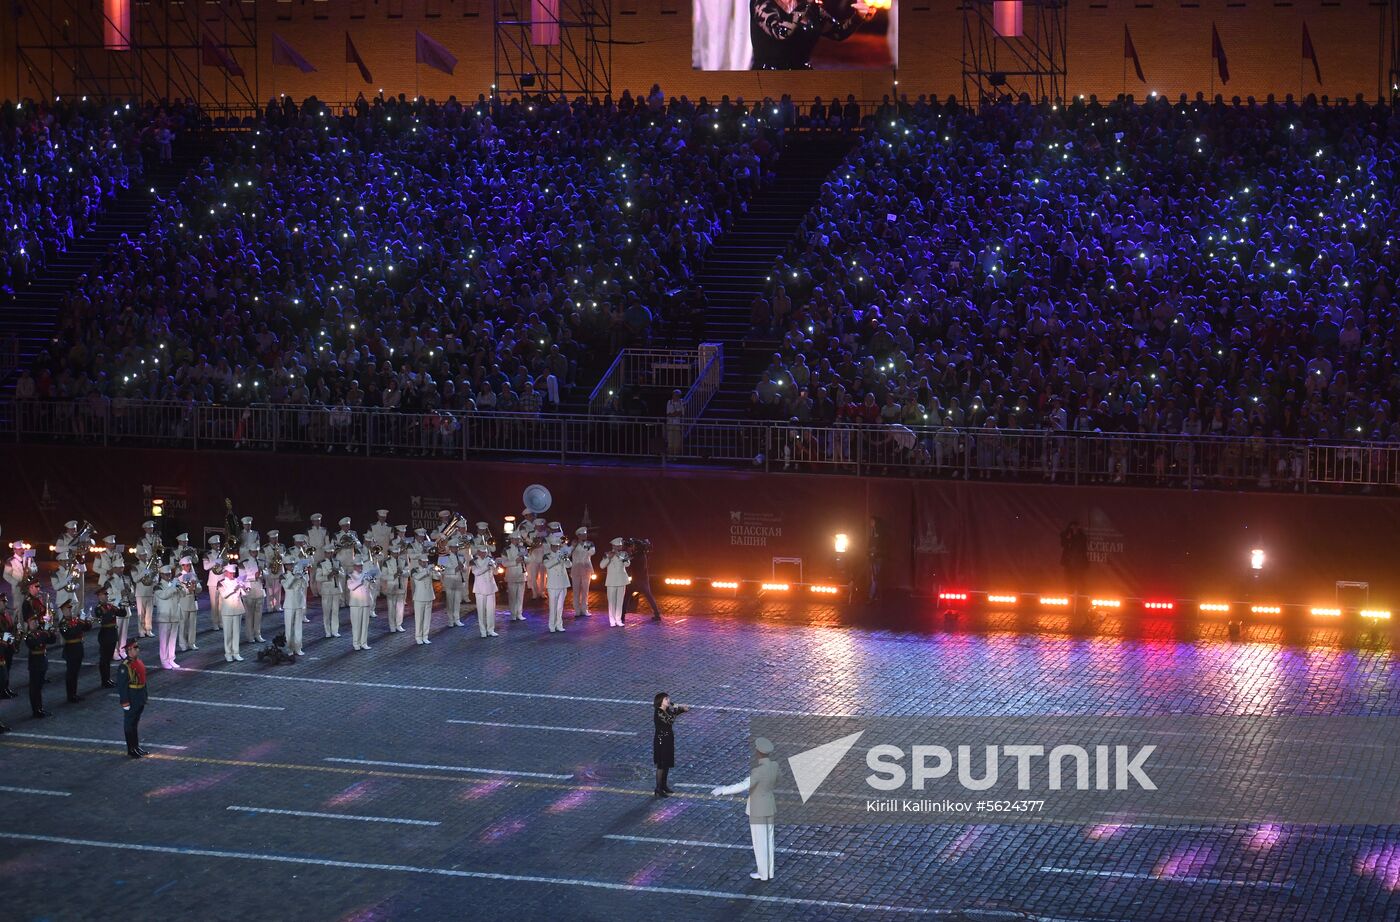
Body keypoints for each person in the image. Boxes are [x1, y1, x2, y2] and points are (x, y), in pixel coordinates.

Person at [711, 737, 780, 881]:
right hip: (769, 805)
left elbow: (743, 785)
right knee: (769, 840)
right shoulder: (775, 766)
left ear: (759, 753)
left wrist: (723, 790)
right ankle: (770, 872)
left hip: (757, 809)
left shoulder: (758, 771)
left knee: (760, 842)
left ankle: (763, 874)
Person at [749, 0, 874, 70]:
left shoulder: (810, 7)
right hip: (769, 75)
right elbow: (781, 32)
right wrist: (806, 5)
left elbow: (838, 32)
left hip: (802, 75)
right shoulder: (761, 3)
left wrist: (858, 16)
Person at [652, 692, 690, 796]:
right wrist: (680, 709)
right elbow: (670, 720)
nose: (668, 700)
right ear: (660, 701)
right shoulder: (659, 712)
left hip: (668, 738)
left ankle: (664, 785)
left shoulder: (667, 710)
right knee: (661, 764)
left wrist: (681, 710)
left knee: (667, 763)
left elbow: (672, 715)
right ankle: (658, 788)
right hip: (661, 741)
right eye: (666, 699)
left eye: (668, 698)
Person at [118, 638, 148, 758]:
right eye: (135, 647)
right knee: (129, 724)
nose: (138, 649)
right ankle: (131, 749)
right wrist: (125, 703)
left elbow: (143, 680)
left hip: (139, 697)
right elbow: (122, 687)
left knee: (134, 724)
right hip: (132, 698)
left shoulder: (137, 662)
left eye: (137, 646)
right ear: (129, 650)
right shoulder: (125, 666)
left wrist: (144, 696)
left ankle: (136, 746)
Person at [24, 611, 57, 718]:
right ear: (28, 624)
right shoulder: (29, 635)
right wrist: (46, 632)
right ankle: (36, 710)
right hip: (35, 663)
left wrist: (50, 629)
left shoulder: (40, 632)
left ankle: (39, 708)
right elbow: (36, 643)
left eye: (35, 621)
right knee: (35, 688)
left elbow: (52, 640)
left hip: (42, 661)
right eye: (31, 622)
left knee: (39, 687)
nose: (34, 623)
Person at [57, 600, 90, 702]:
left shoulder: (74, 620)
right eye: (68, 609)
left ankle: (74, 694)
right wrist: (81, 622)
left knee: (75, 673)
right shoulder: (63, 623)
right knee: (71, 674)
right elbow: (72, 633)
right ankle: (70, 695)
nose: (70, 611)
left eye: (70, 609)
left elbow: (87, 628)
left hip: (78, 648)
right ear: (63, 611)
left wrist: (86, 620)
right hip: (71, 649)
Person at [93, 587, 124, 688]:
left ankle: (108, 679)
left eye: (106, 594)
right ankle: (104, 680)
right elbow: (105, 619)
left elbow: (122, 614)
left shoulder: (110, 606)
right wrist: (113, 611)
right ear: (99, 596)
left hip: (112, 634)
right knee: (104, 660)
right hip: (105, 634)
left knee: (108, 659)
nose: (107, 596)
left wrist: (121, 605)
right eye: (104, 594)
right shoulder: (98, 608)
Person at [152, 565, 182, 670]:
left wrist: (182, 587)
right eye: (166, 574)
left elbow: (182, 594)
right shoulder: (158, 586)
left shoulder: (173, 584)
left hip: (174, 614)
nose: (168, 576)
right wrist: (174, 584)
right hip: (164, 616)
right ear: (161, 575)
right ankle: (164, 660)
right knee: (164, 640)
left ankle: (171, 659)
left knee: (173, 639)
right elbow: (165, 595)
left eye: (169, 574)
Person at [623, 539, 660, 622]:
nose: (633, 547)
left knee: (627, 596)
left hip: (638, 580)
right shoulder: (643, 554)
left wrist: (628, 553)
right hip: (643, 580)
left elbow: (628, 563)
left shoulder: (637, 556)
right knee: (649, 597)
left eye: (634, 546)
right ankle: (657, 614)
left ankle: (622, 615)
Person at [217, 563, 246, 662]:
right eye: (230, 573)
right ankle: (228, 653)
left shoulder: (237, 581)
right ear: (225, 573)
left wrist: (243, 587)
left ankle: (236, 652)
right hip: (227, 610)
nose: (232, 575)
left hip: (238, 609)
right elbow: (224, 595)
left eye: (233, 573)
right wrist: (235, 589)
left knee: (236, 633)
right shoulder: (221, 582)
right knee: (228, 633)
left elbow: (244, 594)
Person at [281, 562, 310, 655]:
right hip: (289, 604)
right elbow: (287, 586)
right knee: (289, 628)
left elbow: (305, 585)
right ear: (286, 566)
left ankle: (298, 648)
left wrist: (303, 576)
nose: (292, 566)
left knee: (298, 627)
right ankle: (289, 648)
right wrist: (294, 577)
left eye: (293, 565)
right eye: (290, 565)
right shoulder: (284, 576)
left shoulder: (298, 574)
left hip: (299, 603)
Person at [600, 538, 631, 627]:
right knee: (611, 602)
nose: (619, 547)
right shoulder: (607, 554)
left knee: (620, 601)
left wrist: (619, 556)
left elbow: (627, 564)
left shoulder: (624, 554)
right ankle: (612, 620)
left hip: (622, 580)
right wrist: (608, 558)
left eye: (620, 546)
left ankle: (618, 619)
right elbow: (602, 566)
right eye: (617, 546)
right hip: (611, 581)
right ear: (613, 546)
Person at [543, 537, 571, 633]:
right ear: (551, 546)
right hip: (553, 584)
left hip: (563, 583)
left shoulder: (562, 554)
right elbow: (547, 565)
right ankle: (551, 625)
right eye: (555, 546)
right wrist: (557, 558)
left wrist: (565, 558)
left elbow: (569, 565)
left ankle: (559, 624)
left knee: (560, 607)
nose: (557, 548)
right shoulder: (547, 556)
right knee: (553, 606)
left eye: (558, 546)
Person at [346, 561, 376, 651]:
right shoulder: (350, 575)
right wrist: (361, 579)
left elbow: (372, 587)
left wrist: (371, 581)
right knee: (356, 625)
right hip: (355, 604)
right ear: (355, 566)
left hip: (366, 602)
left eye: (361, 566)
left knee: (365, 624)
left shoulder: (365, 575)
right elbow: (351, 587)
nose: (361, 568)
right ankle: (356, 643)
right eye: (359, 566)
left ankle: (364, 643)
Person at [1059, 520, 1089, 608]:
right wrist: (1068, 534)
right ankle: (1069, 598)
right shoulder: (1068, 535)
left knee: (1079, 579)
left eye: (1076, 527)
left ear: (1079, 527)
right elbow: (1063, 543)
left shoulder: (1082, 536)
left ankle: (1080, 600)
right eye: (1072, 527)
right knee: (1068, 580)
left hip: (1078, 562)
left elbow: (1082, 547)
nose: (1074, 529)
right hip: (1069, 562)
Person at [471, 549, 499, 638]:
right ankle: (483, 631)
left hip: (491, 587)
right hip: (480, 589)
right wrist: (487, 567)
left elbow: (496, 573)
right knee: (481, 611)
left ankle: (491, 630)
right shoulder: (474, 561)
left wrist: (494, 567)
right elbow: (476, 572)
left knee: (491, 611)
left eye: (485, 552)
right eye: (482, 552)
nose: (484, 554)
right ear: (478, 552)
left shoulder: (490, 560)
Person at [410, 554, 437, 644]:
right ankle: (418, 636)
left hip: (429, 596)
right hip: (419, 597)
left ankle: (425, 636)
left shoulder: (429, 570)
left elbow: (437, 577)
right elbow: (417, 577)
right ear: (419, 562)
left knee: (427, 618)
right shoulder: (415, 570)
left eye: (426, 562)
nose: (425, 563)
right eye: (423, 562)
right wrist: (427, 570)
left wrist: (436, 571)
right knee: (419, 618)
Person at [175, 556, 201, 651]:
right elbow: (177, 589)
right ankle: (182, 644)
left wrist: (195, 586)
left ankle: (192, 643)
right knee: (183, 624)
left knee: (192, 625)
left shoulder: (193, 575)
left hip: (193, 602)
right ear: (182, 566)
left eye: (189, 565)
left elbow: (199, 589)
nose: (188, 567)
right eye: (186, 565)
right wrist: (188, 589)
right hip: (184, 602)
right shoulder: (179, 576)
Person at [316, 553, 343, 638]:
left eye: (331, 553)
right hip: (326, 590)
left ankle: (335, 630)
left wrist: (338, 572)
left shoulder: (337, 562)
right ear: (325, 553)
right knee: (326, 612)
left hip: (336, 590)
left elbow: (343, 574)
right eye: (328, 553)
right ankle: (327, 631)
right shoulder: (321, 564)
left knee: (335, 611)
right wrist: (328, 576)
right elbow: (318, 578)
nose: (330, 554)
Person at [569, 528, 594, 619]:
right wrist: (572, 546)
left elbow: (592, 552)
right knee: (576, 590)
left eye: (585, 534)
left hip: (586, 568)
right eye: (582, 534)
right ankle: (577, 610)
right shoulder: (574, 544)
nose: (584, 536)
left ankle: (584, 609)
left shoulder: (589, 544)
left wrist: (584, 545)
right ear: (578, 535)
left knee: (585, 590)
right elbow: (568, 553)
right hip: (576, 568)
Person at [240, 558, 267, 643]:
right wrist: (254, 576)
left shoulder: (261, 561)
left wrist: (262, 574)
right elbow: (241, 577)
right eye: (253, 551)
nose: (255, 553)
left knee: (258, 615)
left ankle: (257, 634)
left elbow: (267, 573)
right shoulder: (245, 563)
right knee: (249, 615)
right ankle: (250, 635)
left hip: (259, 590)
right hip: (249, 591)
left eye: (256, 551)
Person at [503, 534, 528, 621]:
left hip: (521, 574)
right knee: (512, 596)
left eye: (518, 539)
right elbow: (504, 563)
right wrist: (515, 561)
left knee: (520, 596)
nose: (517, 541)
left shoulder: (522, 548)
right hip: (512, 575)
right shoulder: (506, 549)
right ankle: (513, 614)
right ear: (511, 539)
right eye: (515, 539)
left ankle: (519, 613)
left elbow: (529, 559)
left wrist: (524, 558)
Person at [866, 515, 884, 602]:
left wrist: (875, 551)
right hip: (872, 557)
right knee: (874, 577)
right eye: (870, 521)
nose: (871, 523)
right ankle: (875, 595)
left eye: (872, 521)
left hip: (877, 557)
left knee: (875, 577)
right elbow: (870, 544)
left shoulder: (879, 533)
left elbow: (880, 544)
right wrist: (869, 552)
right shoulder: (872, 532)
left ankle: (871, 596)